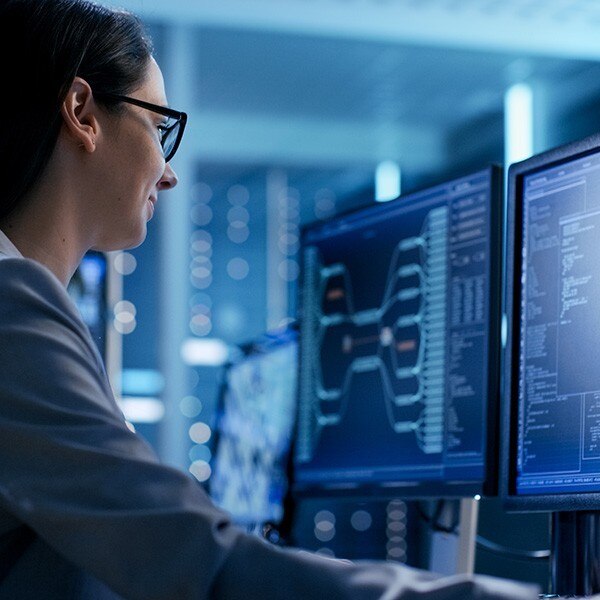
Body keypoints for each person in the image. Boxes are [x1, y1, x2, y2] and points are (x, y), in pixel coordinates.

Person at [0, 1, 540, 598]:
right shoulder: (11, 310)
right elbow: (197, 560)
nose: (169, 172)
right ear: (83, 113)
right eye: (160, 130)